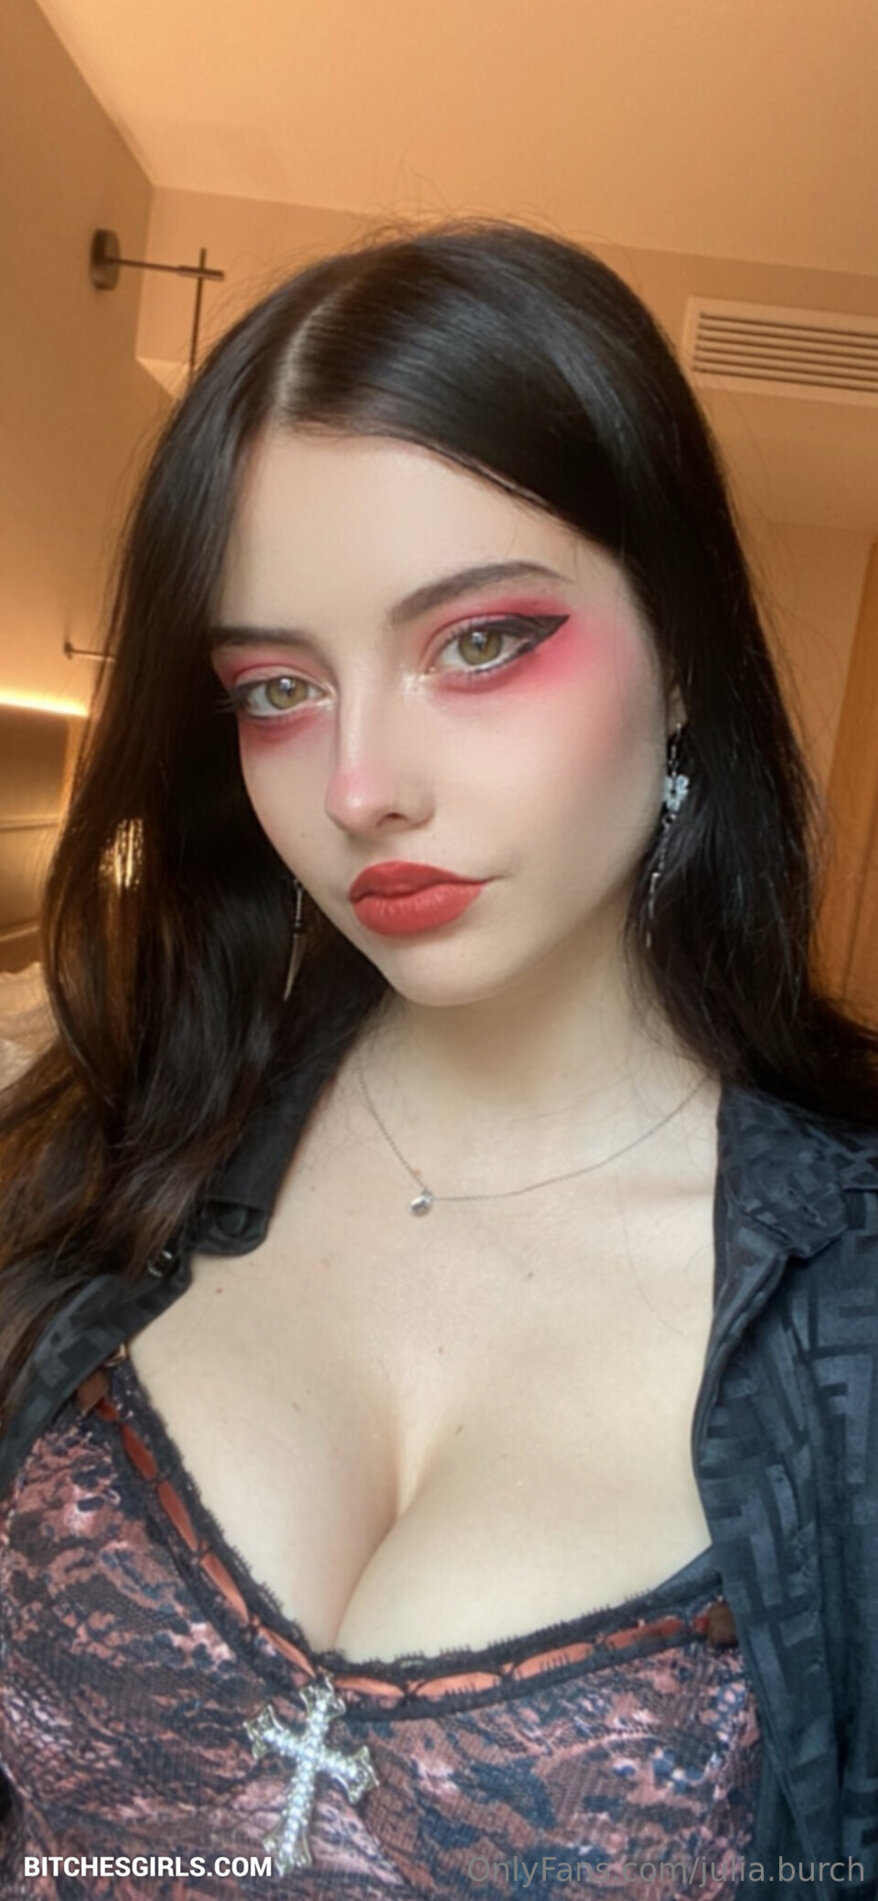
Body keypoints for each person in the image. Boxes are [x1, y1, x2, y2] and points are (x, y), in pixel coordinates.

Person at [0, 217, 876, 1901]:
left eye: (478, 641)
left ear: (681, 657)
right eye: (276, 685)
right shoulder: (116, 1127)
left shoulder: (841, 1295)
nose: (357, 786)